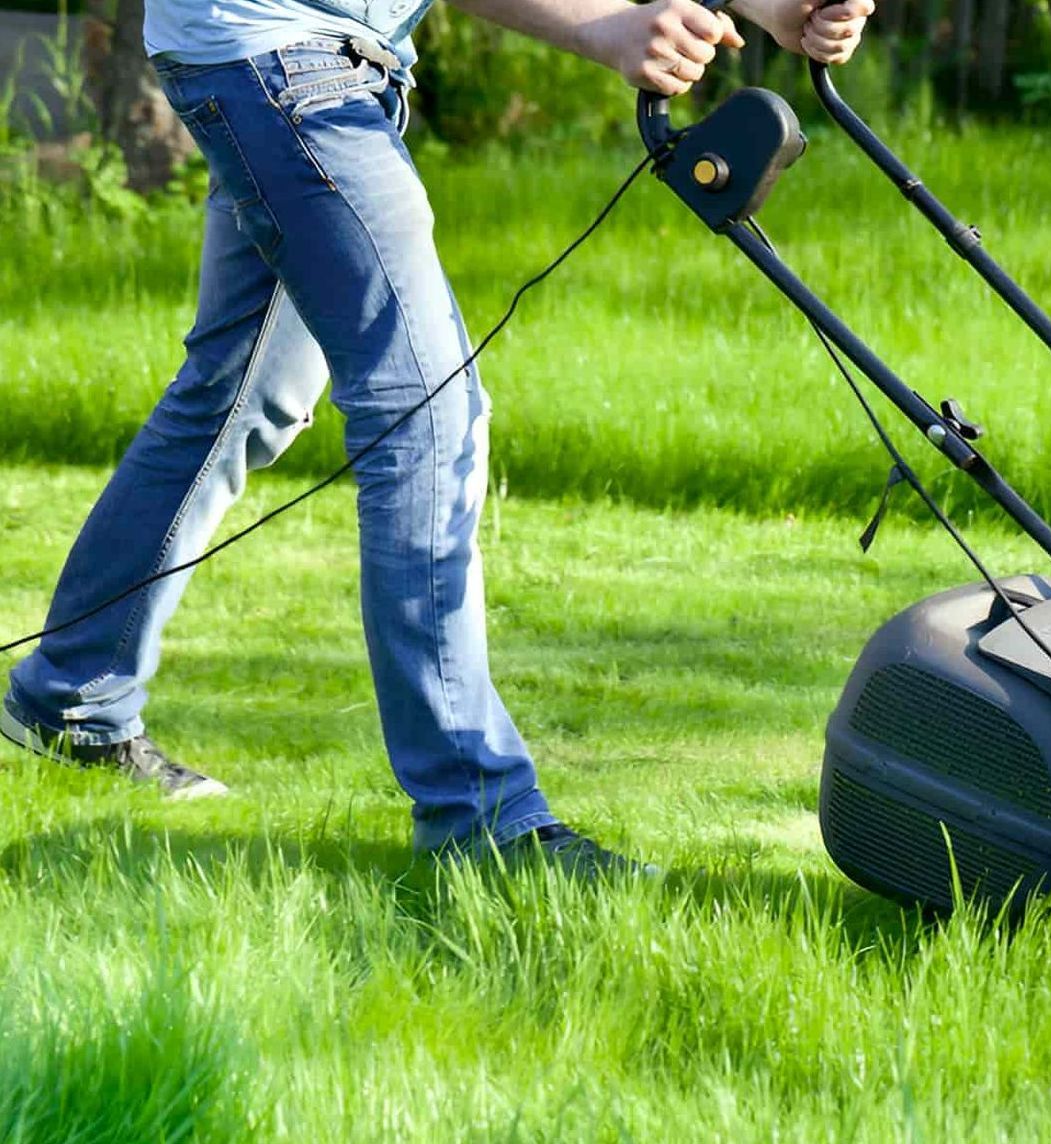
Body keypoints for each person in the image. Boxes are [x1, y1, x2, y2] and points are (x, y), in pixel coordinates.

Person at [0, 0, 874, 874]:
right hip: (276, 56)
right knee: (423, 415)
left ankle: (73, 697)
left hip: (308, 57)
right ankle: (479, 817)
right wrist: (599, 28)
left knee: (241, 395)